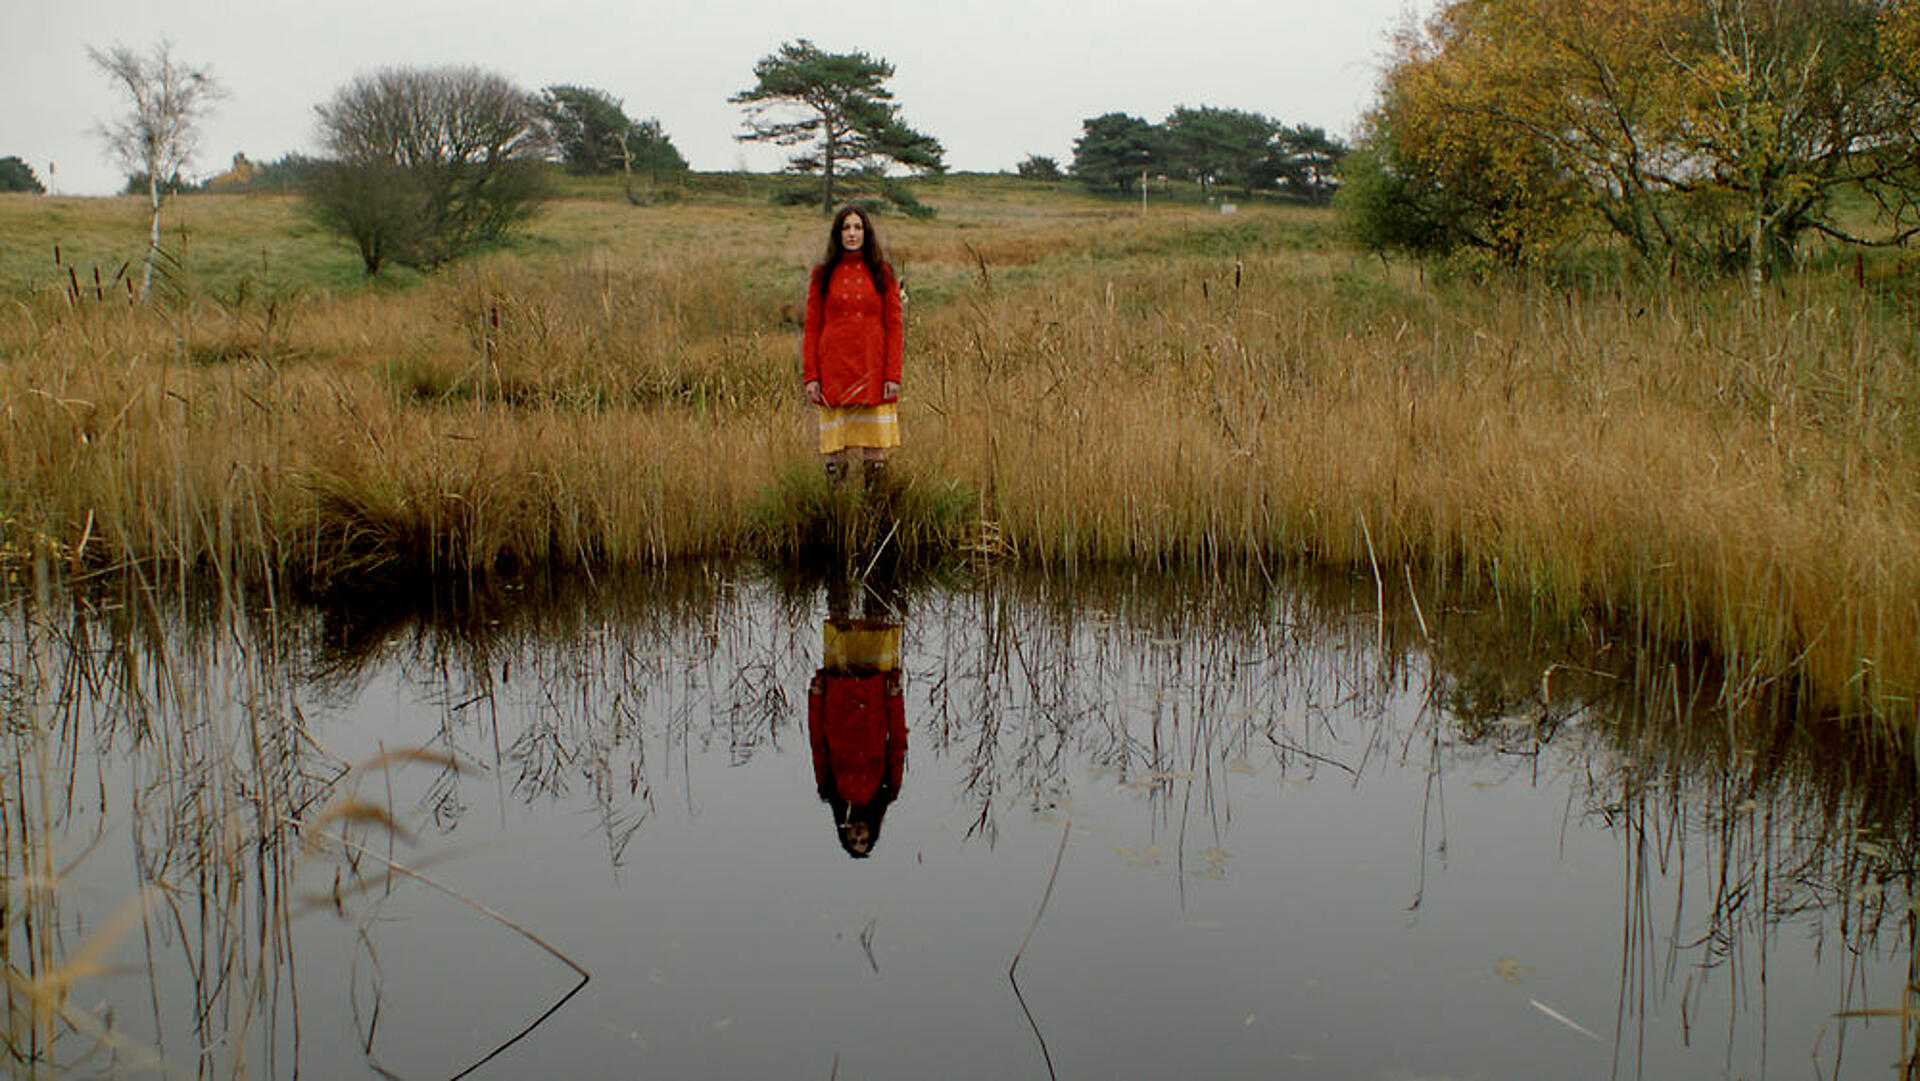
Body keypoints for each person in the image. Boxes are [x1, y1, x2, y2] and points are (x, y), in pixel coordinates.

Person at [801, 206, 903, 484]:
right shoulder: (822, 274)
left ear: (866, 232)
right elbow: (811, 327)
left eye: (857, 227)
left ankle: (876, 514)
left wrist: (893, 375)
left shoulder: (883, 273)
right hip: (833, 370)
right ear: (838, 234)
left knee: (875, 450)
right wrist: (811, 376)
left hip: (873, 368)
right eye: (846, 228)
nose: (852, 233)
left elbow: (894, 327)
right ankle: (838, 516)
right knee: (835, 451)